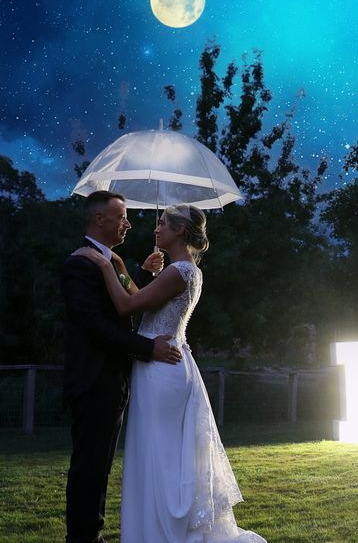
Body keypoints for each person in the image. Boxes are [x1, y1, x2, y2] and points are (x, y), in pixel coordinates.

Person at [72, 203, 265, 543]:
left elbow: (126, 306)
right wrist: (121, 265)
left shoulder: (179, 272)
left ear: (179, 231)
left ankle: (166, 532)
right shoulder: (179, 271)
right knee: (158, 451)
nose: (155, 229)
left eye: (162, 223)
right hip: (163, 365)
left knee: (160, 454)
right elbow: (139, 296)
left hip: (162, 368)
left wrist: (104, 265)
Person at [62, 190, 184, 543]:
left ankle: (91, 535)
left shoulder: (111, 260)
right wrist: (149, 348)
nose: (128, 223)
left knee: (99, 465)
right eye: (121, 216)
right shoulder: (79, 264)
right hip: (93, 379)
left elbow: (124, 308)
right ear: (100, 219)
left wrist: (143, 278)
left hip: (113, 379)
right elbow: (95, 326)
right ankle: (84, 538)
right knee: (89, 466)